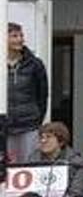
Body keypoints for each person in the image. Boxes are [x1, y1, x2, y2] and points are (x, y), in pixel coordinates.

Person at [26, 122, 83, 197]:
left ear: (61, 141)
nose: (43, 141)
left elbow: (76, 192)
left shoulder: (75, 162)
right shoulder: (33, 159)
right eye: (41, 137)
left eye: (48, 137)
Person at [6, 22, 48, 163]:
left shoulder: (35, 64)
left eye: (21, 35)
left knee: (30, 165)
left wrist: (37, 119)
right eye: (14, 36)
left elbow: (43, 95)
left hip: (29, 125)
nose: (20, 39)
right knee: (6, 168)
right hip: (4, 126)